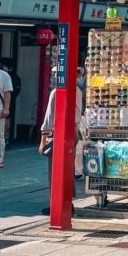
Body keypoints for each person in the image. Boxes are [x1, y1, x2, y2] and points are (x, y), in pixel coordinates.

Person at [38, 72, 84, 215]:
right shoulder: (77, 90)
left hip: (59, 131)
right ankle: (68, 201)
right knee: (68, 168)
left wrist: (43, 139)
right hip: (73, 130)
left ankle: (57, 203)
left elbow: (49, 117)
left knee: (55, 170)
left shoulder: (56, 91)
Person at [0, 58, 21, 141]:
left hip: (2, 100)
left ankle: (4, 137)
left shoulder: (4, 76)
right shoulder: (15, 76)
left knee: (4, 119)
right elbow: (17, 90)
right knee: (7, 118)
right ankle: (6, 137)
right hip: (11, 100)